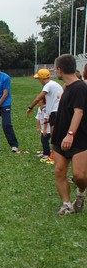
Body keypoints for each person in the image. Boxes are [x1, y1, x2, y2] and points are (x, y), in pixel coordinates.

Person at [51, 54, 87, 215]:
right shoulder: (67, 87)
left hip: (78, 138)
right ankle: (66, 204)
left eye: (55, 68)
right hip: (60, 136)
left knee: (79, 176)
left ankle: (80, 194)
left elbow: (78, 112)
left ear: (60, 69)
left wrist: (70, 134)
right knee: (59, 171)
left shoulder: (80, 87)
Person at [26, 68, 63, 150]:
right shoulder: (54, 84)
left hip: (56, 111)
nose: (39, 80)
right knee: (55, 135)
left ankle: (54, 155)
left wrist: (30, 107)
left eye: (38, 78)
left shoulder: (48, 85)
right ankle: (53, 154)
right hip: (58, 110)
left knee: (55, 135)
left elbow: (38, 98)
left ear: (42, 78)